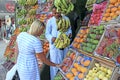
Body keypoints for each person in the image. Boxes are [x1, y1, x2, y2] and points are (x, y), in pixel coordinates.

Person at [45, 6, 72, 80]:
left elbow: (69, 29)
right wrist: (51, 38)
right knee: (55, 65)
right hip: (55, 47)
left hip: (65, 45)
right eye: (55, 13)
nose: (57, 14)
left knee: (65, 64)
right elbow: (47, 33)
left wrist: (70, 34)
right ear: (52, 13)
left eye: (58, 12)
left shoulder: (66, 19)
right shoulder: (50, 21)